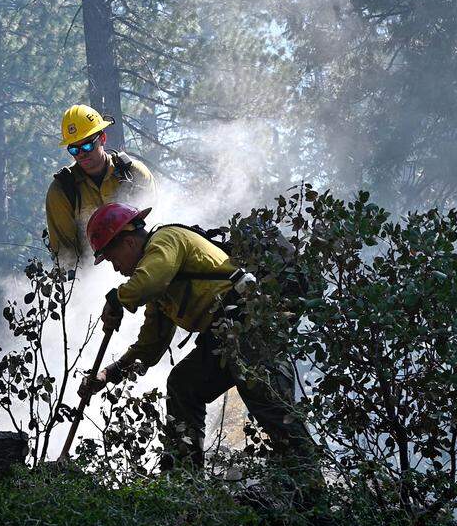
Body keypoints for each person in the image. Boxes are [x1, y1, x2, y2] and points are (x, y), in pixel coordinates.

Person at [79, 202, 317, 476]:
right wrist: (109, 373)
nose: (116, 269)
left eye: (112, 258)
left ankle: (311, 492)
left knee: (272, 408)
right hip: (223, 338)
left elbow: (149, 281)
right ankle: (183, 483)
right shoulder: (161, 287)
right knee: (184, 385)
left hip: (249, 327)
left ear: (129, 242)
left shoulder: (166, 241)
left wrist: (116, 299)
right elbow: (150, 346)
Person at [45, 105, 155, 264]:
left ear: (103, 138)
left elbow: (153, 226)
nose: (81, 153)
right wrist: (82, 286)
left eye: (87, 145)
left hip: (144, 263)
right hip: (93, 277)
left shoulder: (133, 173)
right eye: (74, 150)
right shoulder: (61, 191)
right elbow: (65, 253)